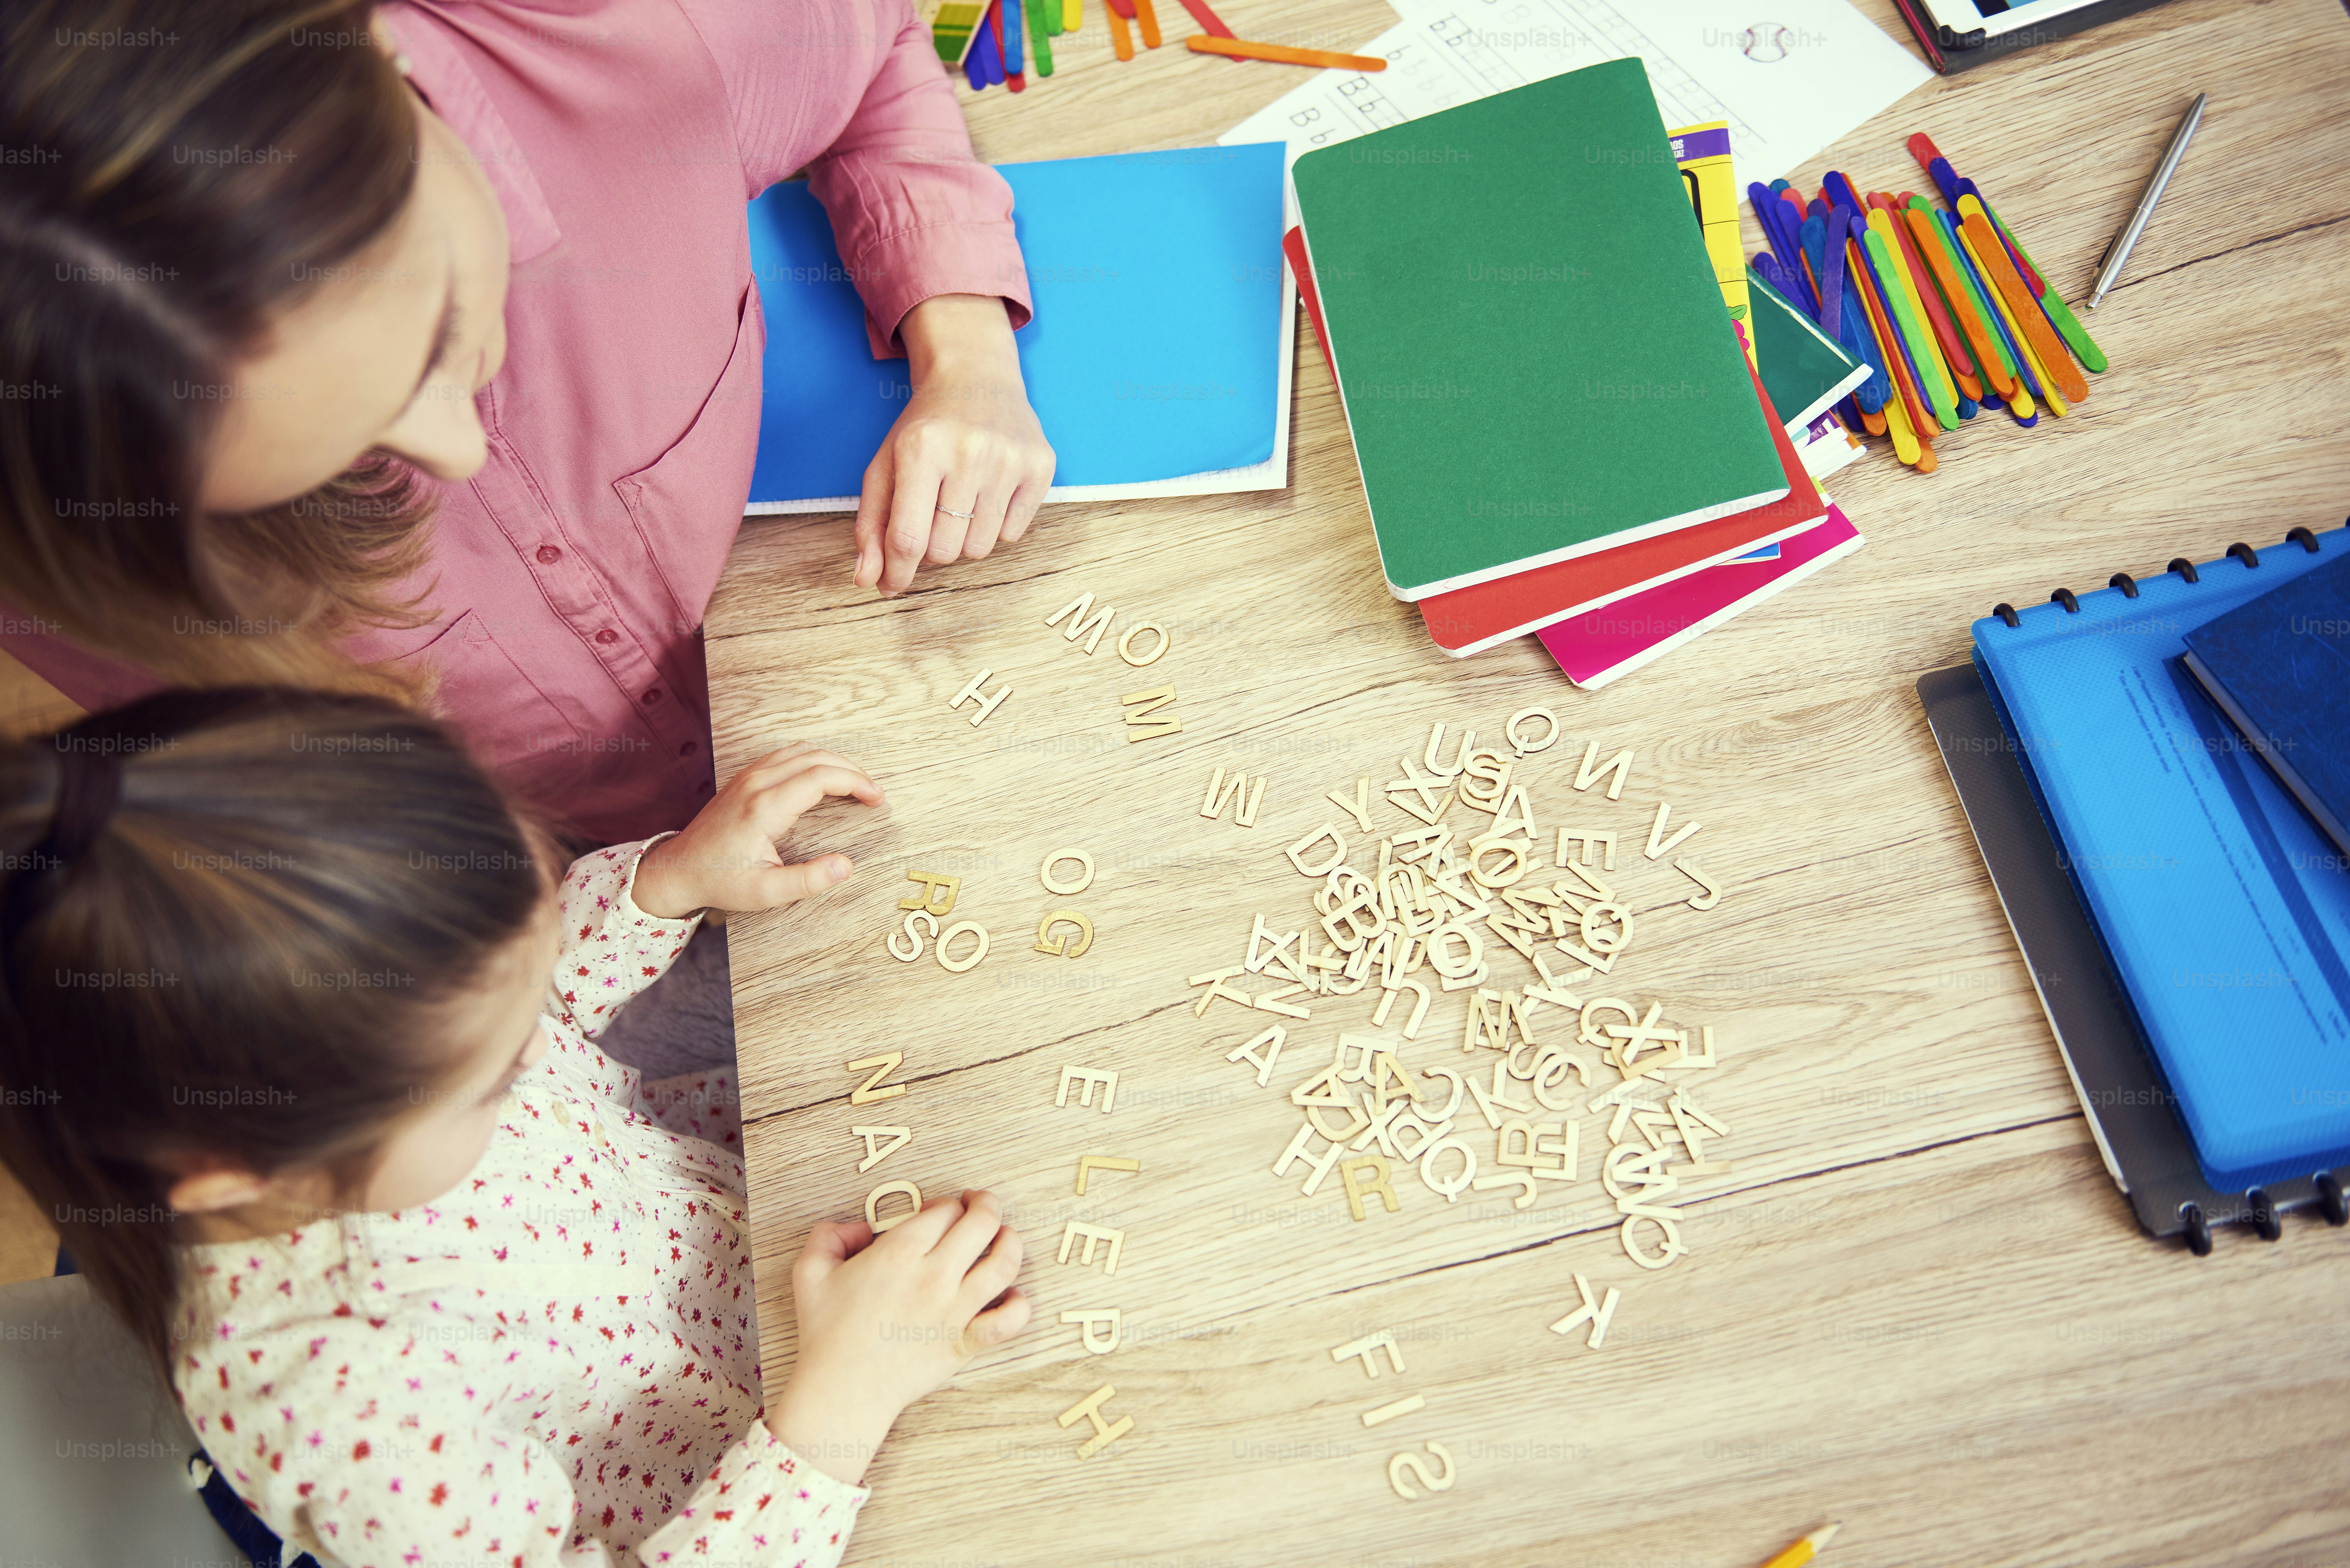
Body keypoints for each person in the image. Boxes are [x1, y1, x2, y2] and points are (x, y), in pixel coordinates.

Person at [0, 686, 1029, 1567]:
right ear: (232, 1172)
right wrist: (836, 1407)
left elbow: (518, 1015)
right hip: (774, 1487)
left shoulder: (350, 1068)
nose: (542, 1060)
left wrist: (664, 884)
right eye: (486, 1083)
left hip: (758, 1246)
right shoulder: (353, 1423)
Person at [0, 0, 1055, 845]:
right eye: (326, 464)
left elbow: (876, 51)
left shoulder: (626, 46)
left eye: (442, 328)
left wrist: (964, 356)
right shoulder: (57, 548)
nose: (450, 455)